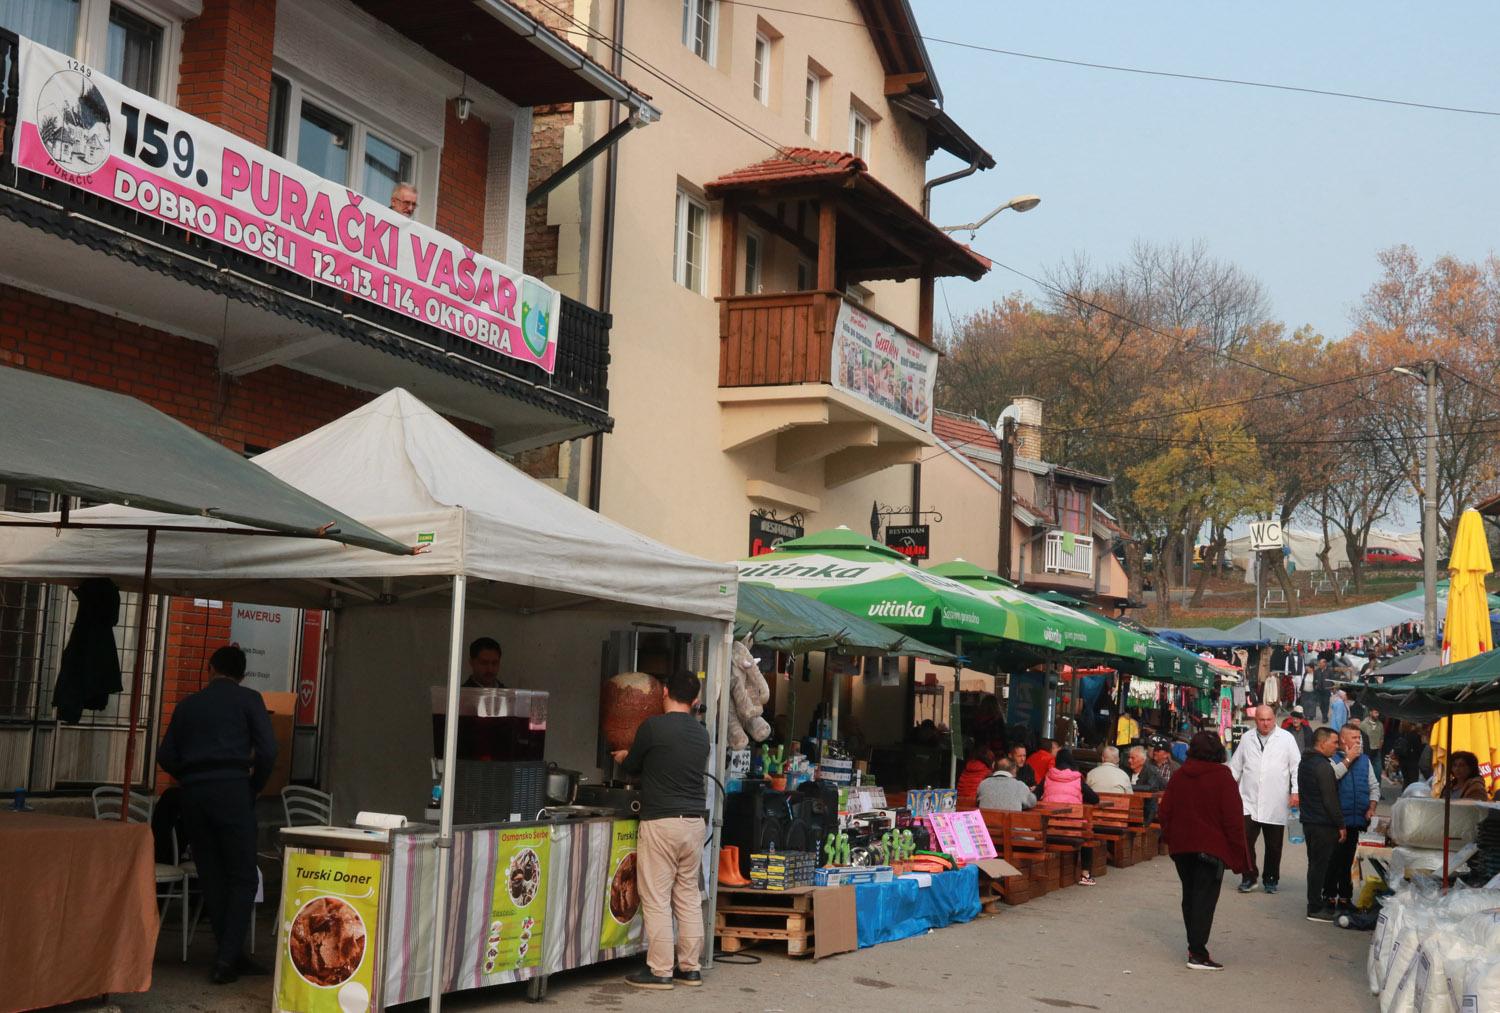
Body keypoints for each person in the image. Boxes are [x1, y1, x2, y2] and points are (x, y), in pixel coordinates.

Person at [155, 645, 276, 984]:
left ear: (210, 669)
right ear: (242, 675)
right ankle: (226, 959)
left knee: (212, 875)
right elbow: (268, 749)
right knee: (243, 875)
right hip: (232, 790)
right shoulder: (250, 700)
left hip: (194, 796)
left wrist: (190, 775)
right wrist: (254, 786)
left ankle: (231, 953)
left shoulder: (188, 705)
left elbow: (165, 754)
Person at [610, 670, 710, 990]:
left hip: (661, 821)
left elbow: (633, 764)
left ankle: (660, 970)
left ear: (664, 692)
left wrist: (624, 756)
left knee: (656, 897)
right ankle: (691, 968)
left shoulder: (653, 727)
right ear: (695, 701)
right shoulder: (702, 733)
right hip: (694, 823)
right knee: (688, 896)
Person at [1159, 731, 1250, 971]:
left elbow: (1165, 811)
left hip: (1182, 847)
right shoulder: (1222, 777)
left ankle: (1194, 946)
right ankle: (1197, 952)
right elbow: (1233, 819)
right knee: (1204, 899)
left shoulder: (1179, 776)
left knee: (1190, 896)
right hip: (1211, 848)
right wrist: (1239, 855)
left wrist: (1171, 838)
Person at [1227, 705, 1300, 894]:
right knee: (1245, 841)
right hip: (1248, 801)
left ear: (1274, 718)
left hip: (1276, 801)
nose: (1265, 723)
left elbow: (1296, 768)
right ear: (1255, 720)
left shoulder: (1286, 739)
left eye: (1268, 719)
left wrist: (1296, 791)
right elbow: (1235, 767)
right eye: (1261, 719)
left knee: (1274, 845)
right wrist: (1226, 788)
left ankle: (1271, 879)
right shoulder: (1246, 738)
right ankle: (1249, 877)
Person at [1324, 723, 1378, 910]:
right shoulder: (1332, 760)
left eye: (1359, 738)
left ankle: (1345, 898)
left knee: (1348, 861)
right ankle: (1329, 896)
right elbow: (1332, 779)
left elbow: (1374, 787)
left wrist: (1371, 807)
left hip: (1357, 821)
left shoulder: (1365, 760)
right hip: (1337, 821)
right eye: (1354, 738)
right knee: (1333, 860)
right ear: (1343, 740)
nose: (1358, 741)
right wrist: (1348, 758)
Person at [1299, 727, 1347, 922]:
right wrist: (1341, 825)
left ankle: (1314, 903)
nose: (1337, 746)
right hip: (1322, 824)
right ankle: (1315, 907)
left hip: (1310, 821)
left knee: (1315, 864)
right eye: (1334, 742)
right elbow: (1330, 799)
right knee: (1319, 866)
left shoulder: (1307, 762)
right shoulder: (1322, 766)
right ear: (1322, 743)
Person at [1039, 750, 1101, 885]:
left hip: (1049, 828)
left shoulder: (1048, 776)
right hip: (1073, 829)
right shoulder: (1077, 779)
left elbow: (1035, 796)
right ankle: (1085, 874)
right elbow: (1095, 799)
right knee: (1087, 832)